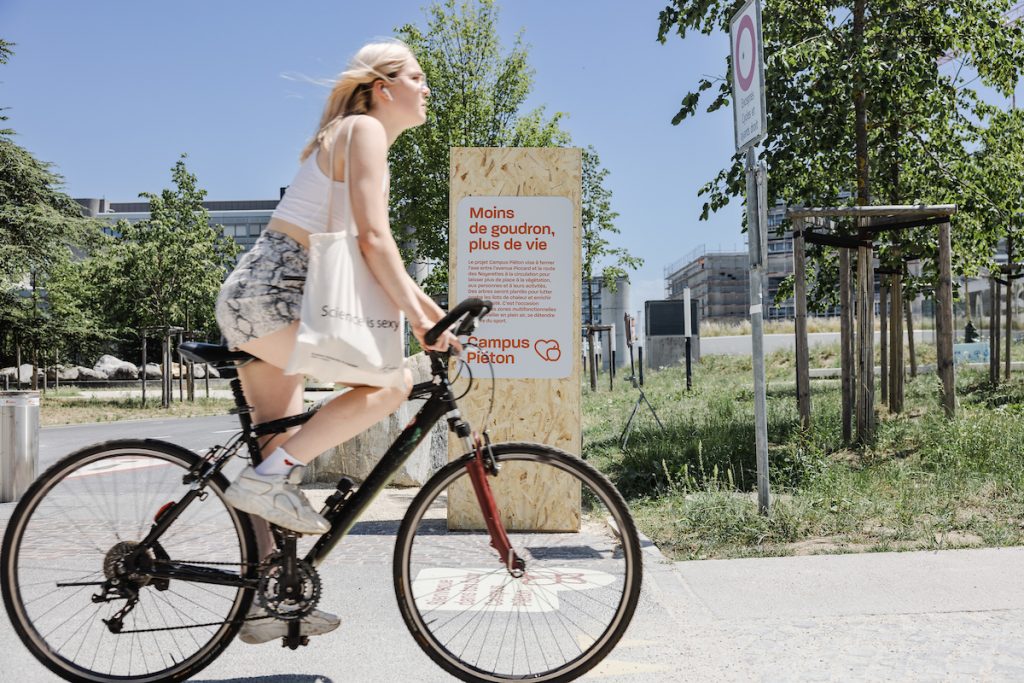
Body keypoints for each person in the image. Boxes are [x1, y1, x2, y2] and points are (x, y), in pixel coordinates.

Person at [214, 39, 458, 644]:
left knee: (276, 458)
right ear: (383, 86)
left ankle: (267, 602)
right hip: (273, 298)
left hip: (265, 296)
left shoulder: (353, 133)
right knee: (391, 383)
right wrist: (426, 323)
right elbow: (374, 242)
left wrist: (434, 316)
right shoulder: (365, 131)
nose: (427, 88)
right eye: (418, 77)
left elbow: (381, 253)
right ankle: (266, 487)